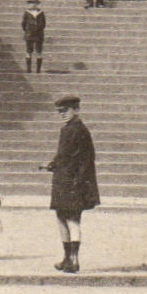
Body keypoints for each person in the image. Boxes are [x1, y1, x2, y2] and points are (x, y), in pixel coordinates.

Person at [43, 94, 98, 273]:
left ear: (76, 110)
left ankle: (74, 259)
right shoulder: (69, 128)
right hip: (63, 180)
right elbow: (64, 155)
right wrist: (52, 165)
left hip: (72, 182)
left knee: (72, 219)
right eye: (60, 111)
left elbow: (85, 159)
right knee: (61, 218)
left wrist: (78, 181)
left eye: (66, 111)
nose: (62, 114)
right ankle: (67, 258)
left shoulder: (78, 130)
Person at [22, 0, 47, 73]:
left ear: (38, 4)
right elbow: (23, 23)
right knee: (29, 51)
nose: (33, 5)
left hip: (38, 34)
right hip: (29, 33)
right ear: (29, 4)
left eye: (35, 3)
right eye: (31, 3)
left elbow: (43, 23)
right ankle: (28, 68)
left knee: (39, 51)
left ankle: (38, 69)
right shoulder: (26, 12)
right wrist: (27, 30)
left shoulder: (41, 12)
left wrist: (38, 28)